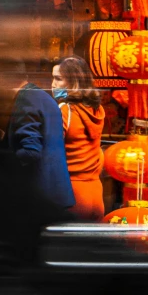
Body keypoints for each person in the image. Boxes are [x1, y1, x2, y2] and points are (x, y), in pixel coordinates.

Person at [0, 59, 76, 220]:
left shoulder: (26, 99)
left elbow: (31, 151)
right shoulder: (41, 96)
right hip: (54, 193)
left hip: (39, 195)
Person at [52, 56, 106, 222]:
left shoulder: (65, 111)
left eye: (58, 79)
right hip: (96, 193)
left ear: (73, 82)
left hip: (72, 193)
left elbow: (51, 152)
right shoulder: (97, 110)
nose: (53, 84)